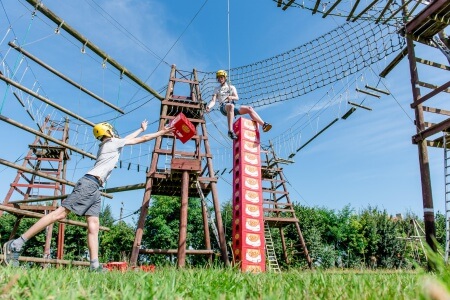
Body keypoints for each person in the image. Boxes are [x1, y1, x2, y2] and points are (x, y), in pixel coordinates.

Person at [3, 120, 174, 271]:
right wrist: (161, 132)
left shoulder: (110, 143)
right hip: (89, 184)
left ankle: (94, 265)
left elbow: (129, 139)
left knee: (94, 225)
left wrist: (141, 128)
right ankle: (17, 244)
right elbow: (138, 141)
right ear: (109, 132)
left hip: (95, 187)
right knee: (60, 213)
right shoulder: (112, 142)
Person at [205, 69, 272, 140]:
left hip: (233, 104)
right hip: (224, 106)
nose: (220, 79)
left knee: (249, 108)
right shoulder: (217, 89)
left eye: (221, 77)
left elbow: (237, 97)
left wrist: (231, 97)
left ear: (225, 78)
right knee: (230, 106)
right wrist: (209, 107)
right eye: (218, 78)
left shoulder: (231, 87)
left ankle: (263, 125)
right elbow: (213, 101)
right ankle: (230, 131)